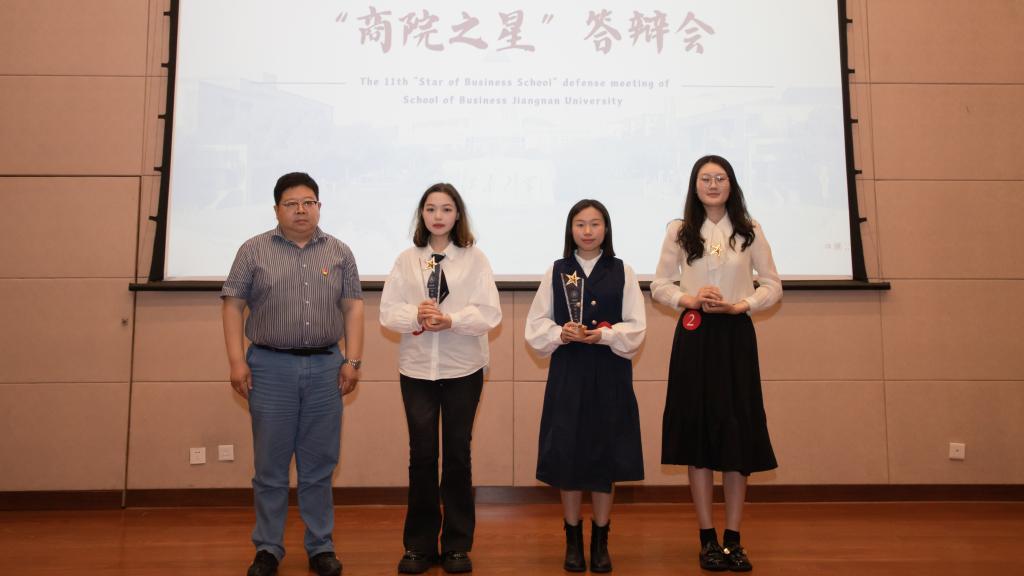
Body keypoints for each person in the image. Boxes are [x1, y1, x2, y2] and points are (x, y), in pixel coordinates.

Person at [221, 172, 364, 576]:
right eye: (291, 203)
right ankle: (268, 548)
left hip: (326, 367)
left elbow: (353, 307)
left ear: (319, 206)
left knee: (319, 465)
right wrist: (236, 361)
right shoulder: (253, 250)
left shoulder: (339, 251)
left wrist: (353, 360)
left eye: (308, 202)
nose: (301, 210)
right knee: (270, 467)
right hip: (270, 367)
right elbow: (232, 306)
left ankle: (321, 547)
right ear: (276, 209)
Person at [651, 155, 782, 572]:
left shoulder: (750, 229)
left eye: (720, 178)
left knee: (737, 434)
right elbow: (659, 285)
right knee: (699, 435)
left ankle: (734, 540)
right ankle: (707, 538)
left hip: (735, 337)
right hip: (695, 336)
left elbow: (773, 284)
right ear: (695, 185)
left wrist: (743, 304)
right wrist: (688, 299)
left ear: (731, 184)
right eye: (705, 178)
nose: (712, 184)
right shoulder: (679, 230)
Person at [379, 183, 502, 574]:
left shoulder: (474, 259)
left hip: (463, 369)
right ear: (422, 214)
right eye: (430, 209)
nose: (438, 216)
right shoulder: (407, 260)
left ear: (457, 215)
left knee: (457, 456)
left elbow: (489, 313)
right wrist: (416, 314)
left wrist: (452, 320)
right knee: (422, 455)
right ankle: (418, 545)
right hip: (417, 370)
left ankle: (456, 546)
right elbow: (388, 312)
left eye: (446, 209)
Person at [525, 199, 646, 573]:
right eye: (580, 224)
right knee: (569, 455)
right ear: (570, 229)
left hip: (610, 375)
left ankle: (601, 541)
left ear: (606, 228)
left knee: (605, 457)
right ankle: (573, 541)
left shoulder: (623, 271)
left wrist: (604, 336)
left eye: (595, 223)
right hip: (569, 374)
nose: (588, 231)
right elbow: (536, 325)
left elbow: (636, 327)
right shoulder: (557, 271)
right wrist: (560, 333)